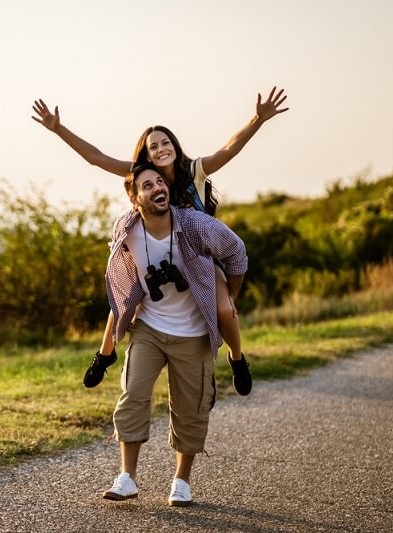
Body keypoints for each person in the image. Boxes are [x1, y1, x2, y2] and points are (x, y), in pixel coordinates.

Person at [32, 88, 288, 394]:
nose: (161, 148)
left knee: (224, 310)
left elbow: (228, 149)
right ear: (147, 154)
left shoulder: (194, 171)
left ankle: (237, 358)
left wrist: (257, 119)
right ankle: (105, 355)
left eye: (166, 142)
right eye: (154, 146)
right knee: (123, 299)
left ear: (175, 146)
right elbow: (96, 158)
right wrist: (58, 128)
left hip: (198, 256)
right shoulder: (141, 174)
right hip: (155, 253)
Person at [98, 163, 248, 505]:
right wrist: (107, 347)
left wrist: (229, 295)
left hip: (194, 332)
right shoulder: (126, 227)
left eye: (159, 181)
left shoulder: (195, 225)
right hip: (149, 327)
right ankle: (127, 477)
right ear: (135, 198)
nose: (156, 187)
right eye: (146, 185)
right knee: (132, 394)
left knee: (190, 409)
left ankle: (181, 481)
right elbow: (121, 280)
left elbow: (237, 251)